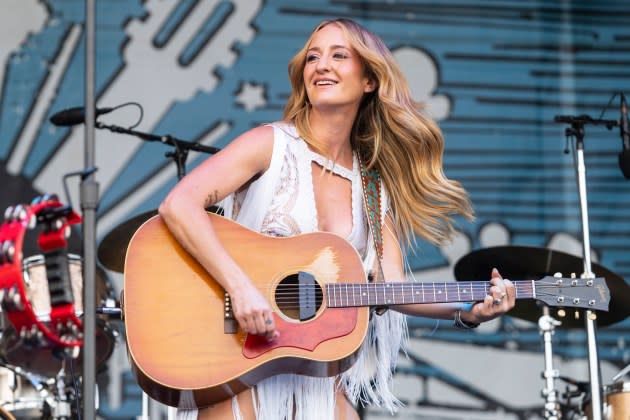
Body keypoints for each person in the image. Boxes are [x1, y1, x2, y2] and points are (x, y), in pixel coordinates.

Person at [159, 18, 516, 420]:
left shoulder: (372, 186)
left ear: (369, 80)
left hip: (322, 381)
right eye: (313, 56)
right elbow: (179, 205)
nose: (321, 65)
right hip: (243, 364)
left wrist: (468, 311)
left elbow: (392, 288)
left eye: (338, 55)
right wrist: (240, 288)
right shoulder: (269, 145)